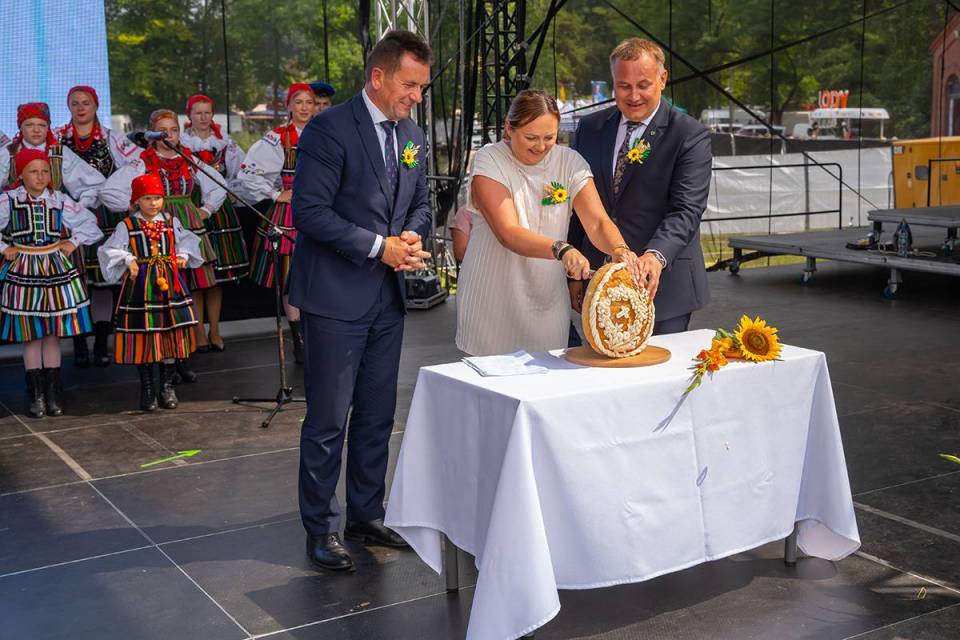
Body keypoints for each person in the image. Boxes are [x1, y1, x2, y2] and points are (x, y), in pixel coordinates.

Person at [290, 30, 433, 572]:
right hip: (334, 296)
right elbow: (310, 212)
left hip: (387, 299)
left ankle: (366, 514)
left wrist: (413, 236)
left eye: (421, 87)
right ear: (378, 76)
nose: (416, 96)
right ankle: (321, 528)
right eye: (410, 85)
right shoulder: (329, 130)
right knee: (328, 420)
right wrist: (380, 247)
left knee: (377, 414)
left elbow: (421, 202)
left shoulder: (411, 133)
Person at [456, 89, 641, 356]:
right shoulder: (489, 159)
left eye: (549, 138)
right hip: (493, 299)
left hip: (547, 300)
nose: (540, 146)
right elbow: (508, 232)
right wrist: (561, 249)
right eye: (531, 137)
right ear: (509, 129)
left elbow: (598, 222)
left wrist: (619, 249)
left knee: (549, 370)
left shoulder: (570, 162)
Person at [568, 38, 712, 337]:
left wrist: (655, 255)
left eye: (643, 85)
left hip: (664, 289)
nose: (633, 96)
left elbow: (686, 210)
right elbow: (577, 208)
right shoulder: (589, 129)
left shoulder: (689, 135)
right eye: (624, 86)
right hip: (599, 282)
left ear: (663, 79)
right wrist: (573, 276)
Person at [101, 109, 226, 383]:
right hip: (154, 228)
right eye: (163, 130)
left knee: (186, 291)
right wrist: (134, 207)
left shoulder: (188, 159)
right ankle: (166, 360)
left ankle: (182, 357)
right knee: (163, 295)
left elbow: (219, 185)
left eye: (174, 130)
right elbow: (108, 191)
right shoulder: (142, 163)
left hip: (185, 227)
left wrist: (206, 209)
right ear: (152, 134)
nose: (169, 135)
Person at [0, 149, 102, 417]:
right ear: (21, 174)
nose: (40, 176)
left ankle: (54, 390)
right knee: (32, 332)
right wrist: (4, 247)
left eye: (45, 171)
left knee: (52, 331)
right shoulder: (9, 199)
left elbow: (90, 224)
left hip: (54, 268)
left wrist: (73, 241)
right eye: (33, 171)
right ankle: (36, 393)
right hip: (24, 268)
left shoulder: (58, 199)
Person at [98, 173, 203, 411]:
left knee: (169, 331)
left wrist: (183, 255)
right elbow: (109, 249)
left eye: (157, 198)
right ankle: (147, 387)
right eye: (147, 198)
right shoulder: (127, 225)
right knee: (145, 334)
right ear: (136, 201)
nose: (153, 203)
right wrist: (128, 259)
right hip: (142, 286)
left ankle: (166, 385)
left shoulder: (170, 221)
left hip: (169, 283)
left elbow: (187, 240)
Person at [57, 85, 141, 368]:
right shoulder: (57, 138)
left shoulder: (111, 137)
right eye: (75, 103)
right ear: (69, 107)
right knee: (75, 281)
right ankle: (79, 342)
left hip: (104, 214)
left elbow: (138, 162)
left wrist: (121, 190)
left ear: (95, 106)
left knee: (104, 282)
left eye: (86, 103)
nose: (81, 108)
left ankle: (102, 341)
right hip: (70, 214)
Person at [235, 83, 316, 363]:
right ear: (289, 106)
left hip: (321, 209)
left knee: (318, 275)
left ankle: (318, 335)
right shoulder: (278, 138)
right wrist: (276, 194)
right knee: (290, 278)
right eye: (299, 102)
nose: (304, 107)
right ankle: (299, 340)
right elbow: (248, 175)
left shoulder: (325, 133)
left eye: (309, 102)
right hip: (291, 214)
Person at [180, 94, 250, 351]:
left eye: (207, 112)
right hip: (192, 208)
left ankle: (216, 330)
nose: (202, 117)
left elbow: (242, 169)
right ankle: (198, 331)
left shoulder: (224, 142)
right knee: (198, 274)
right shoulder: (182, 143)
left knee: (217, 276)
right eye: (197, 112)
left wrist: (230, 189)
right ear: (189, 115)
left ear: (212, 114)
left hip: (219, 211)